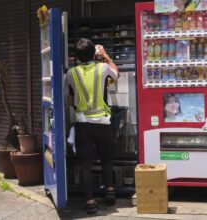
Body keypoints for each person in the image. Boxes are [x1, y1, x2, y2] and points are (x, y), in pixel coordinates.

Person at [64, 38, 119, 214]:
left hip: (83, 123)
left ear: (77, 57)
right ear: (94, 53)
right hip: (103, 122)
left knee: (86, 164)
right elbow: (116, 75)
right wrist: (105, 56)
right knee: (107, 160)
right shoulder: (102, 68)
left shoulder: (71, 73)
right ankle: (110, 192)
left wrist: (79, 107)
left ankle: (90, 202)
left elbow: (69, 98)